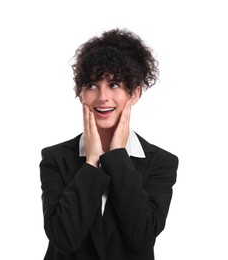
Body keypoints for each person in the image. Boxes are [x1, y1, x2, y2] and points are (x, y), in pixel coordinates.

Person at [39, 28, 179, 260]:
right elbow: (63, 238)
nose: (102, 96)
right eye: (92, 85)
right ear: (81, 95)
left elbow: (141, 236)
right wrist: (91, 163)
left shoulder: (161, 162)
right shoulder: (55, 158)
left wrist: (117, 157)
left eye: (114, 84)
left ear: (134, 94)